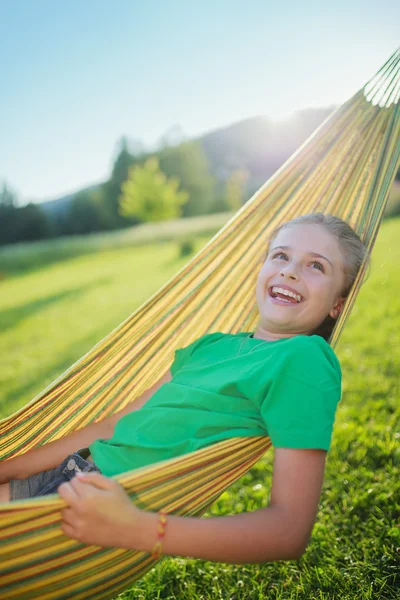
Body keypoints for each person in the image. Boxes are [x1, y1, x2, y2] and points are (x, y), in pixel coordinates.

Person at [0, 213, 368, 565]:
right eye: (281, 256)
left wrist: (139, 529)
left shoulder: (302, 358)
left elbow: (289, 530)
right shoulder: (210, 346)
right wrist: (9, 467)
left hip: (102, 504)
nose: (289, 270)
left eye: (316, 265)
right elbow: (112, 426)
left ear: (338, 304)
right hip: (68, 471)